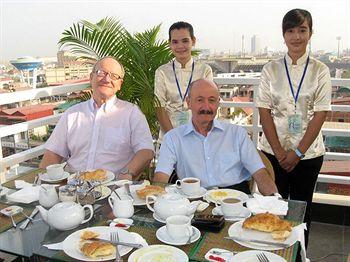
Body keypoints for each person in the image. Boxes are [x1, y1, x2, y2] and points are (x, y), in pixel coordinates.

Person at [256, 9, 331, 247]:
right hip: (272, 152)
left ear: (310, 32)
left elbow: (321, 114)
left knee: (301, 213)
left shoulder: (320, 70)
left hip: (308, 155)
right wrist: (279, 152)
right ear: (283, 34)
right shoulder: (271, 69)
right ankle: (273, 254)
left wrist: (297, 153)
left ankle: (299, 254)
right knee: (273, 210)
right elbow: (264, 111)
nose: (296, 36)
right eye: (291, 31)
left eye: (302, 30)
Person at [154, 79, 278, 196]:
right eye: (200, 100)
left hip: (235, 200)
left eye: (212, 100)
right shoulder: (173, 138)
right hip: (193, 201)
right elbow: (161, 178)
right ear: (189, 102)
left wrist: (275, 200)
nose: (206, 107)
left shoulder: (237, 134)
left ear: (218, 103)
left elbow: (260, 173)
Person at [40, 57, 154, 180]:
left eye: (114, 76)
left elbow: (146, 151)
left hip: (113, 187)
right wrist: (43, 184)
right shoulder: (72, 114)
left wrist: (127, 173)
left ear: (120, 84)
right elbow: (53, 153)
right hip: (73, 186)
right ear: (91, 77)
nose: (107, 79)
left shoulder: (131, 113)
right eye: (101, 73)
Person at [154, 21, 213, 138]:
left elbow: (208, 105)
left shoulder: (204, 70)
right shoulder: (162, 72)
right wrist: (174, 137)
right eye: (175, 42)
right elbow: (159, 107)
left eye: (185, 41)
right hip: (169, 134)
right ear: (169, 44)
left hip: (198, 134)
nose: (180, 46)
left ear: (193, 41)